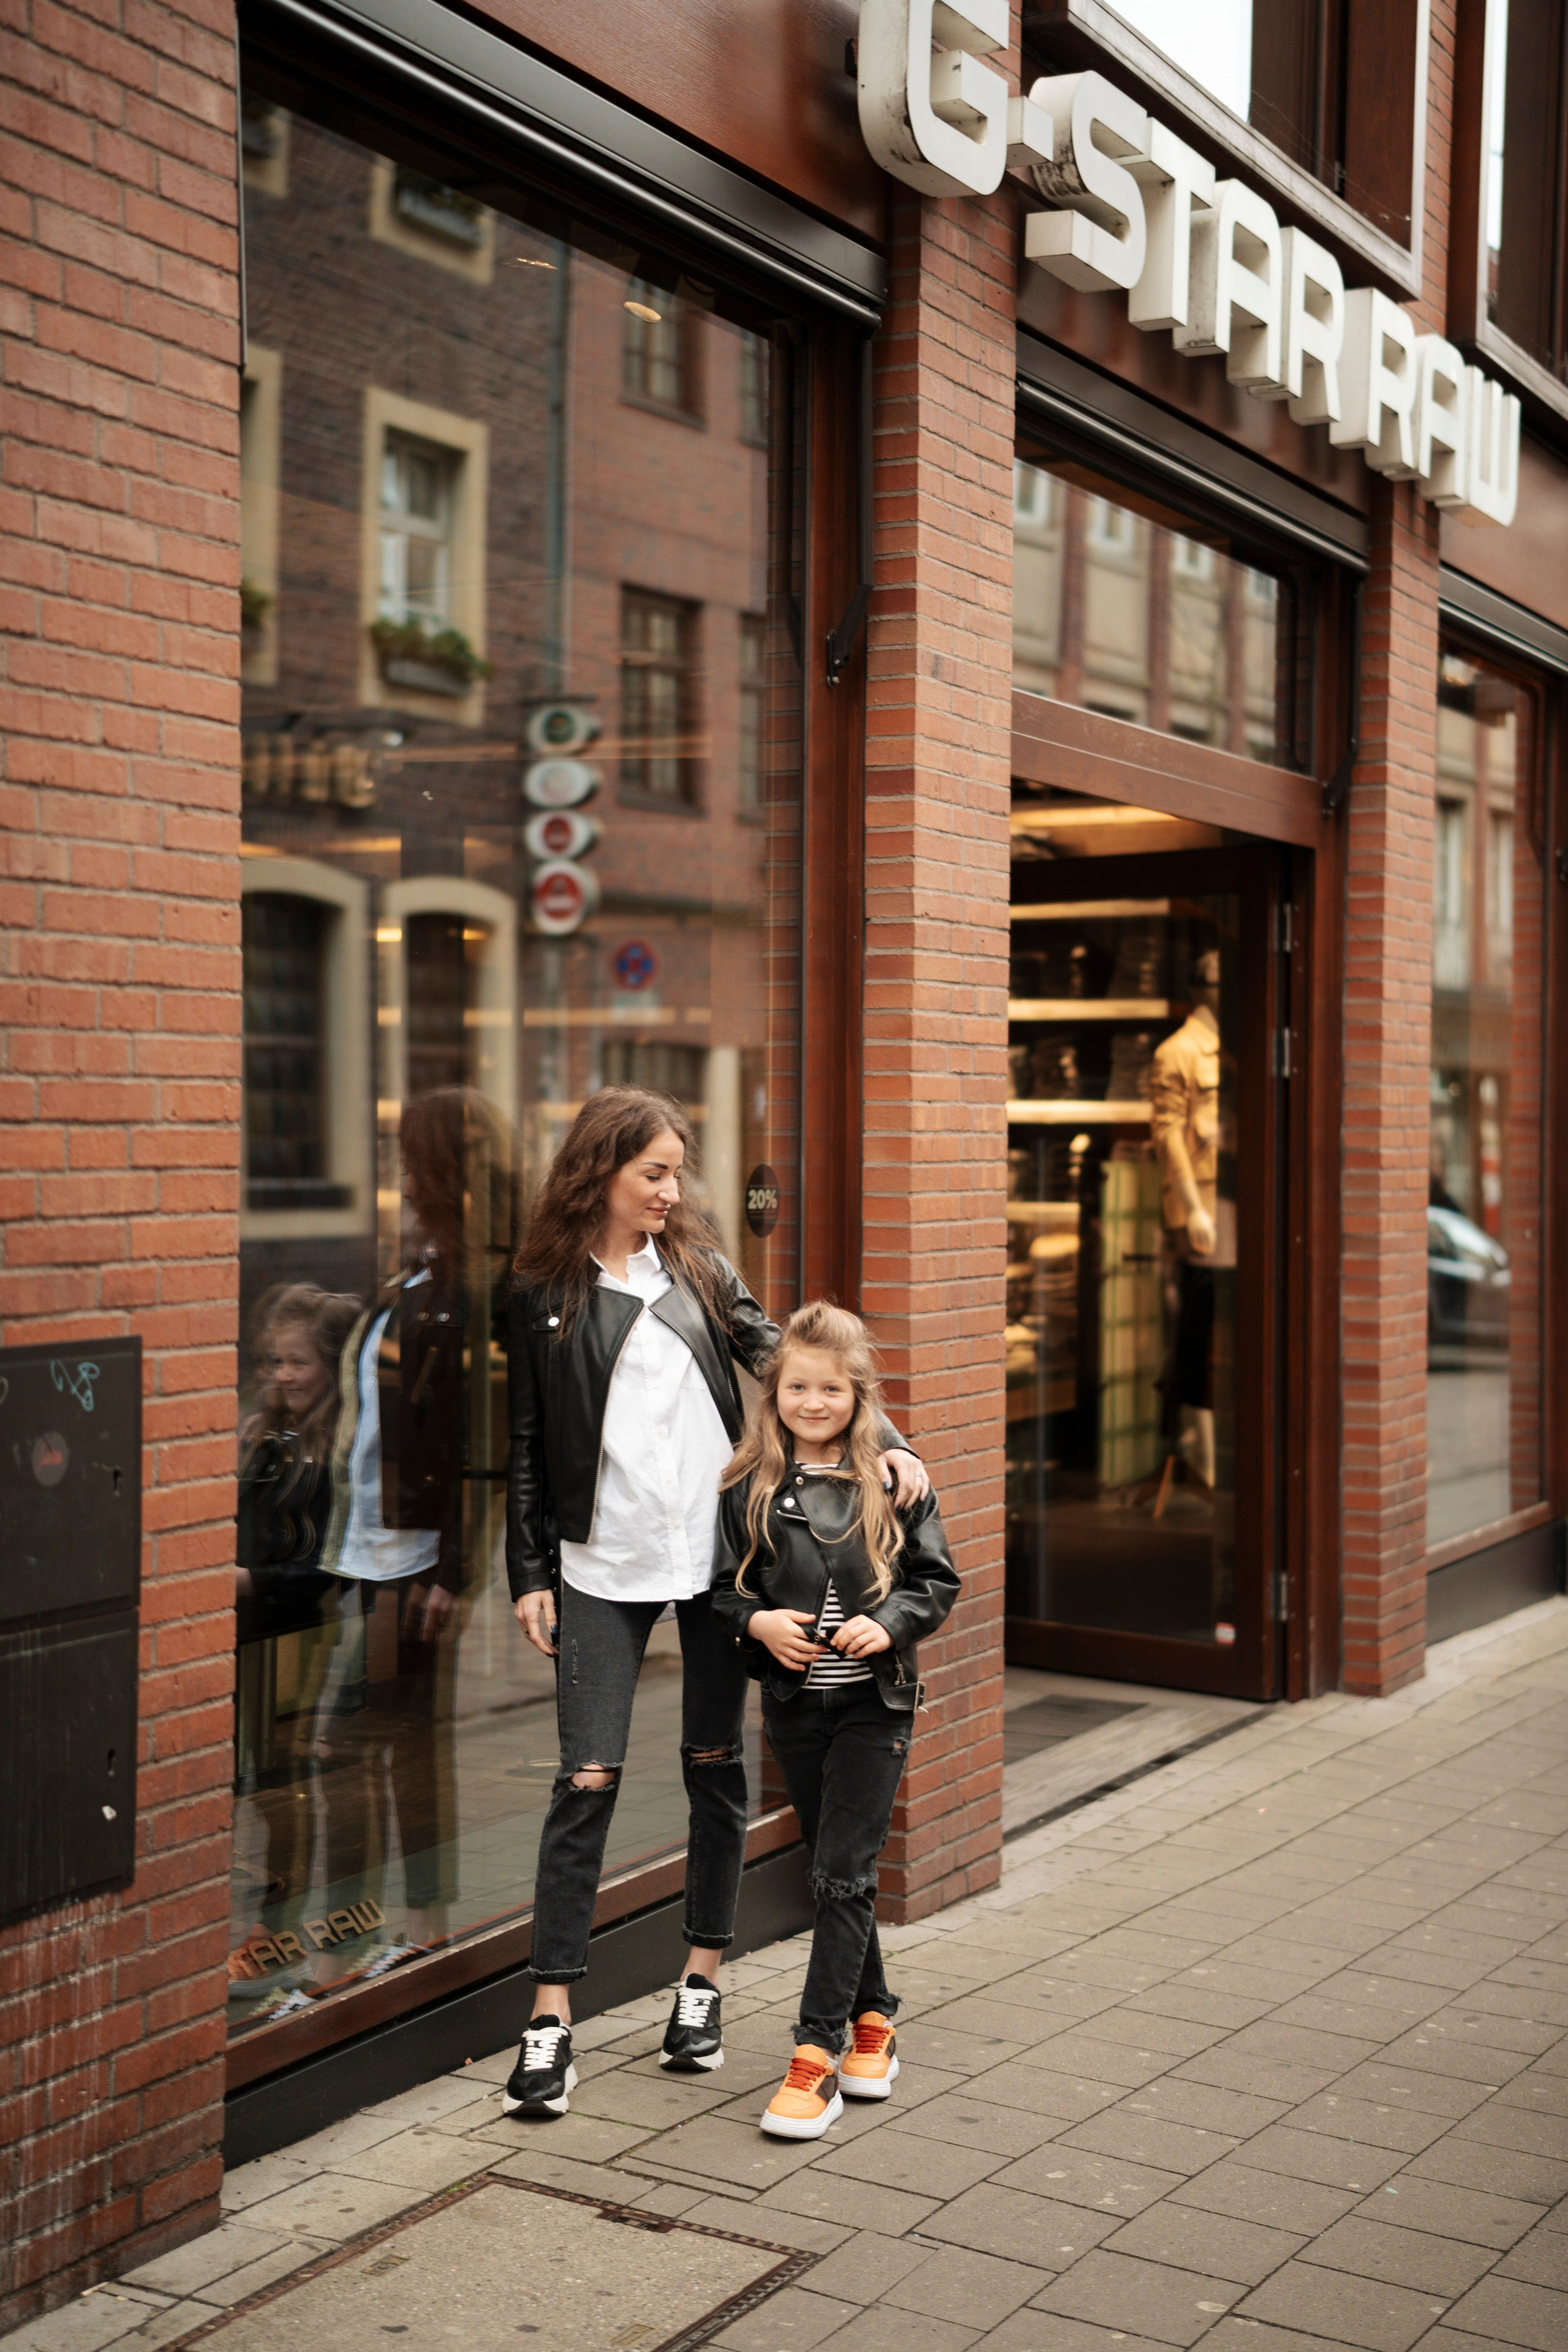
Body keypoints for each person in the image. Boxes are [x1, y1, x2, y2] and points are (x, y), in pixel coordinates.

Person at [503, 1086, 925, 2119]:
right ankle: (551, 2017)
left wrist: (892, 1443)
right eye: (653, 1171)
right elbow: (522, 1443)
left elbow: (805, 1369)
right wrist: (528, 1572)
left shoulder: (700, 1270)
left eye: (675, 1172)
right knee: (586, 1780)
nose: (670, 1189)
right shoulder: (539, 1290)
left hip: (711, 1563)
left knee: (713, 1770)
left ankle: (702, 1983)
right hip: (599, 1566)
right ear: (601, 1169)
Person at [710, 1302, 959, 2139]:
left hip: (873, 1706)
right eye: (797, 1387)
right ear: (774, 1391)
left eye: (830, 1389)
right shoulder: (747, 1483)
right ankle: (876, 2021)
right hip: (795, 1709)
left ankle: (815, 2057)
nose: (813, 1403)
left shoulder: (895, 1480)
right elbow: (719, 1589)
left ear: (859, 1396)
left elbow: (937, 1581)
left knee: (844, 1874)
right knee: (834, 1872)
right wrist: (756, 1623)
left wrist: (889, 1624)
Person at [316, 1085, 518, 1977]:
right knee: (399, 1742)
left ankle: (356, 1934)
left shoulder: (468, 1286)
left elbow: (481, 1441)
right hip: (371, 1549)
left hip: (409, 1560)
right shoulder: (419, 1277)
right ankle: (416, 1922)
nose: (396, 1168)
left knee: (357, 1743)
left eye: (408, 1153)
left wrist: (455, 1572)